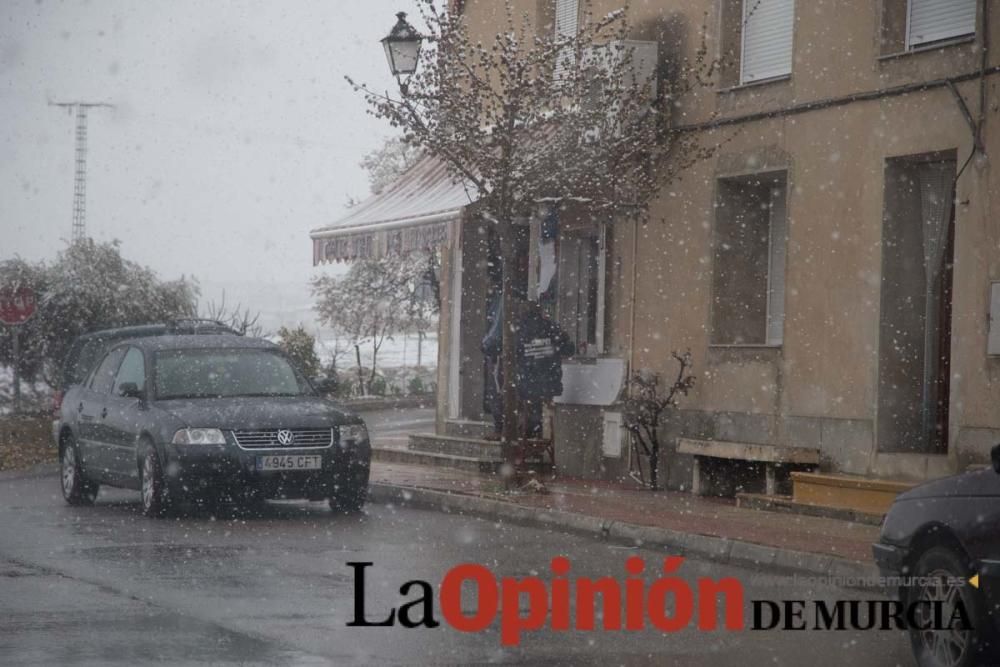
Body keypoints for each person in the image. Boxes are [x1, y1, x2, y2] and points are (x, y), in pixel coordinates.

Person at [481, 299, 574, 439]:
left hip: (524, 384)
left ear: (520, 314)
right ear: (540, 312)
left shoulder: (515, 330)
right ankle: (533, 431)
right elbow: (570, 349)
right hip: (550, 384)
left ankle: (503, 429)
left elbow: (493, 348)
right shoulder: (552, 328)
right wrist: (549, 350)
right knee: (534, 399)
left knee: (498, 393)